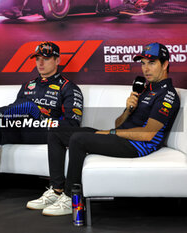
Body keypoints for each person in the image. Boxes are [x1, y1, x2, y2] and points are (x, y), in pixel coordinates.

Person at [27, 42, 180, 216]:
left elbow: (147, 134)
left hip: (137, 146)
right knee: (56, 132)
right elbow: (118, 124)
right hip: (121, 137)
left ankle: (72, 198)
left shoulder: (168, 95)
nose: (146, 69)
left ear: (165, 64)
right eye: (143, 63)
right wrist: (128, 110)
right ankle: (57, 190)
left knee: (78, 139)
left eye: (151, 63)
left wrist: (110, 133)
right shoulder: (144, 90)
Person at [0, 41, 84, 206]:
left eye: (45, 58)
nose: (40, 63)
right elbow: (13, 110)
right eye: (37, 58)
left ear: (57, 60)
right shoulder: (28, 85)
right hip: (23, 129)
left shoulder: (69, 88)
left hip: (48, 132)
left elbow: (72, 125)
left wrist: (43, 118)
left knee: (30, 106)